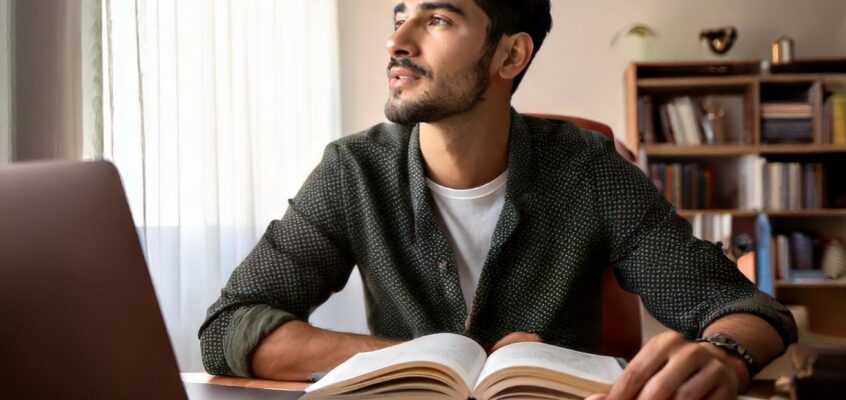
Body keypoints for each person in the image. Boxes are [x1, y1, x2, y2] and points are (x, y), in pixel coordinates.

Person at [200, 1, 797, 398]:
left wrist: (725, 356)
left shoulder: (588, 168)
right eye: (400, 13)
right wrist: (427, 359)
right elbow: (229, 330)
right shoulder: (351, 170)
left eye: (436, 19)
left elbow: (745, 309)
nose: (397, 40)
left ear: (510, 55)